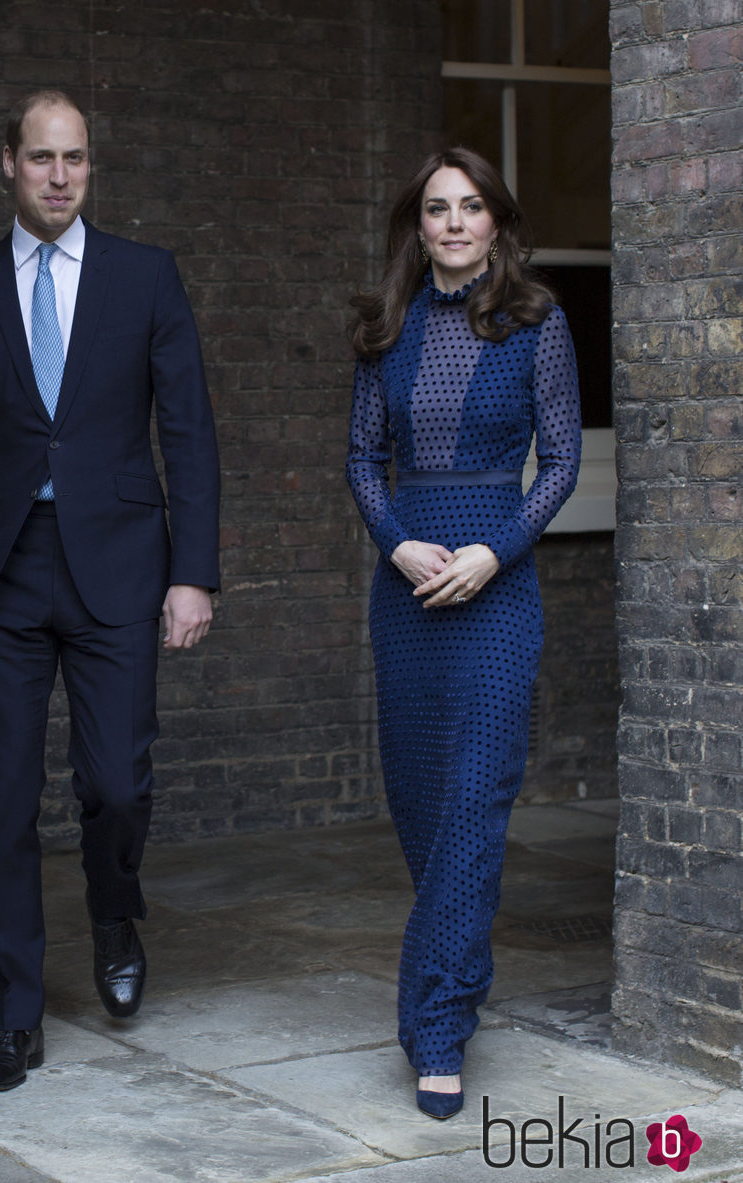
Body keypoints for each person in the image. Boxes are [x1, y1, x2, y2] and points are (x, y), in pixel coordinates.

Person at [0, 90, 220, 1093]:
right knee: (0, 806)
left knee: (116, 784)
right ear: (6, 164)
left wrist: (192, 572)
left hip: (120, 564)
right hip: (3, 573)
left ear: (90, 166)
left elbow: (189, 434)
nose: (59, 175)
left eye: (75, 157)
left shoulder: (145, 277)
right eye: (41, 158)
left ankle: (113, 909)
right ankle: (15, 1020)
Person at [346, 147, 581, 1119]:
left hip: (494, 592)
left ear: (495, 221)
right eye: (435, 208)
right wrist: (399, 546)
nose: (451, 223)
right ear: (418, 223)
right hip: (406, 597)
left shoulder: (535, 321)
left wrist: (492, 552)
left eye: (468, 207)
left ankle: (436, 1026)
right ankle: (457, 970)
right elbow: (362, 457)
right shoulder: (384, 327)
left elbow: (561, 463)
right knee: (419, 805)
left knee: (473, 804)